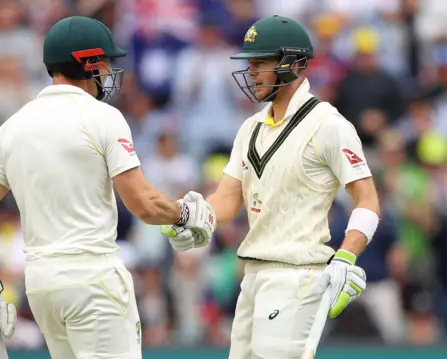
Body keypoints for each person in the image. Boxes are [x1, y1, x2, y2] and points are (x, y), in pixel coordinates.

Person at [0, 16, 216, 359]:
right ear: (88, 62)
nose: (109, 72)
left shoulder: (12, 127)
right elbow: (143, 204)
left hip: (42, 284)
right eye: (106, 62)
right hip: (92, 279)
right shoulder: (102, 117)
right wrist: (184, 213)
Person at [162, 15, 380, 358]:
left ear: (294, 63)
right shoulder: (250, 128)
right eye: (250, 62)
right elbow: (227, 198)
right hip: (252, 276)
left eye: (261, 62)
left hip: (297, 275)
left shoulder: (328, 124)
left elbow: (367, 199)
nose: (251, 71)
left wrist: (347, 255)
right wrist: (194, 216)